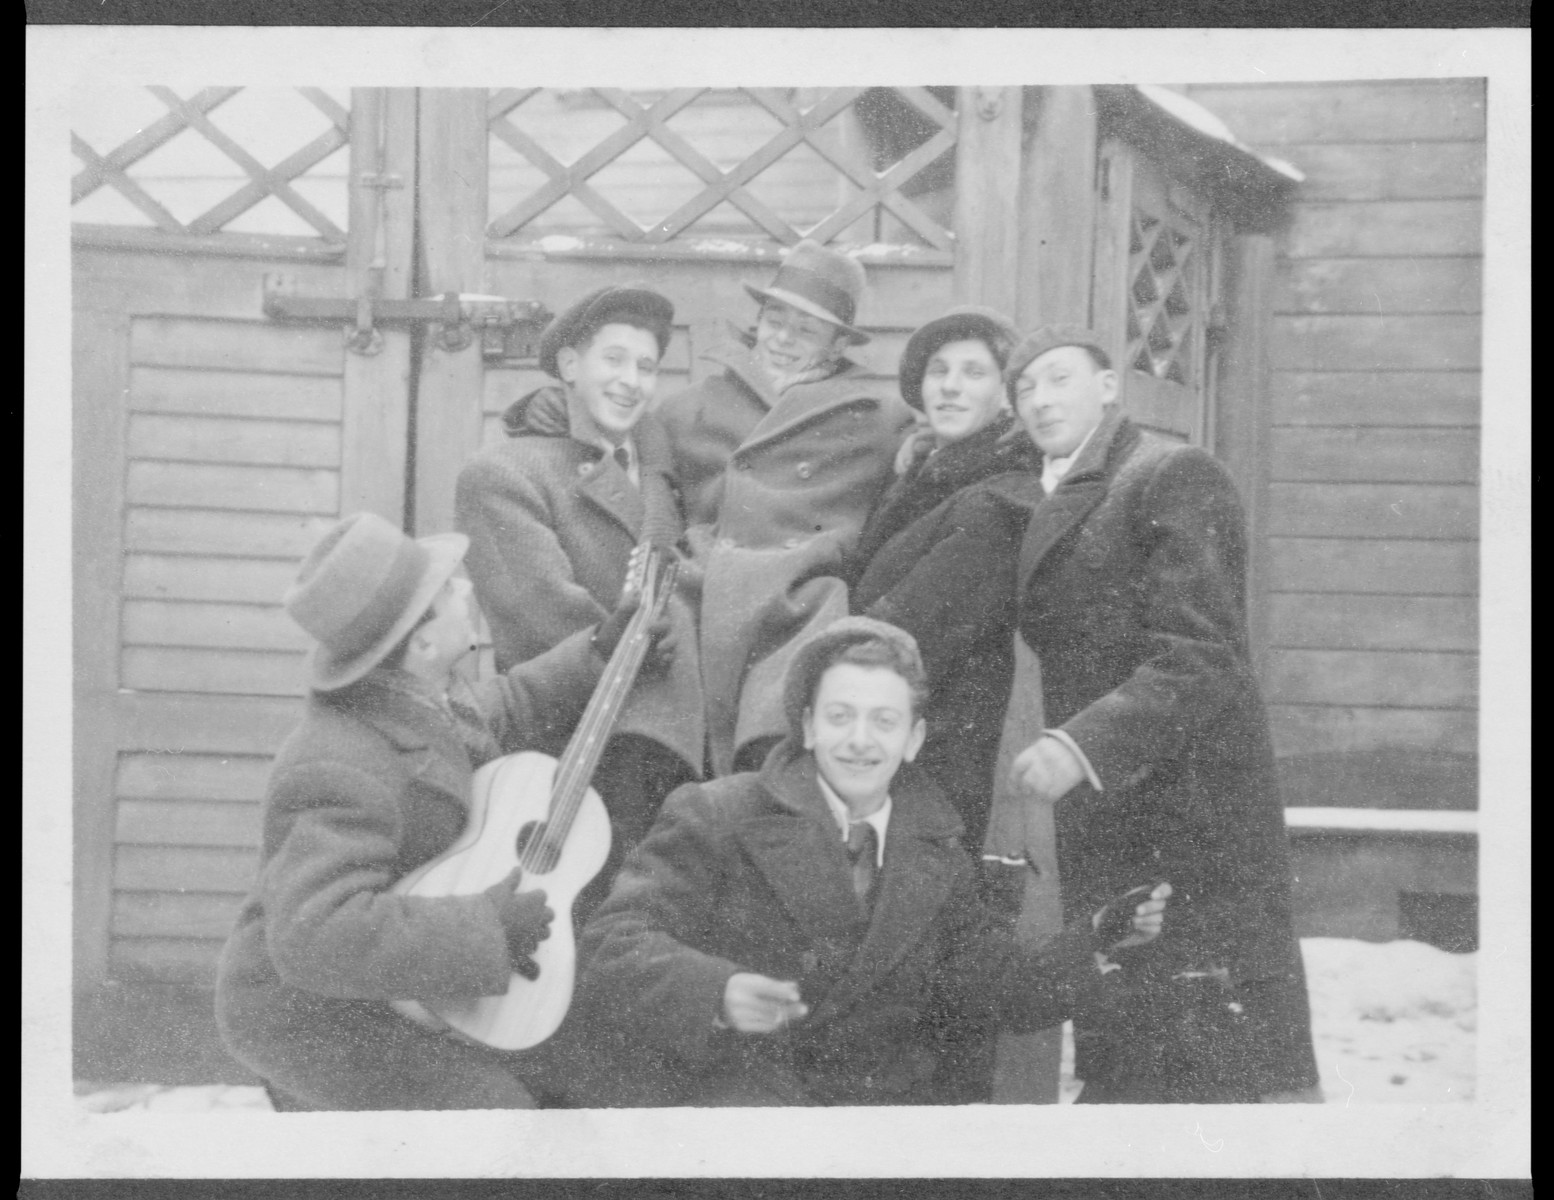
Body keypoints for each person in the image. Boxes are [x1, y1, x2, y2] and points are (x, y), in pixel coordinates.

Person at [572, 617, 1172, 1107]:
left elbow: (990, 989)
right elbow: (609, 943)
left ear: (913, 739)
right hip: (744, 1114)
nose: (860, 740)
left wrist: (1096, 936)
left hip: (883, 1125)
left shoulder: (937, 845)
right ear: (807, 727)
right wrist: (716, 991)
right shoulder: (717, 813)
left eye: (884, 722)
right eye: (840, 717)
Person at [213, 512, 660, 1111]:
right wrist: (484, 926)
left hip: (413, 982)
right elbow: (314, 933)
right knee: (495, 1123)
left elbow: (504, 708)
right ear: (422, 643)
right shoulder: (335, 765)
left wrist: (599, 653)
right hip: (316, 1013)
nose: (467, 589)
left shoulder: (419, 699)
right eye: (448, 591)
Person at [1001, 324, 1321, 1104]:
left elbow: (1202, 654)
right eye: (1025, 389)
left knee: (1212, 1057)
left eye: (1059, 379)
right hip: (1116, 815)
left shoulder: (1169, 475)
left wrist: (1080, 746)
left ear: (1108, 387)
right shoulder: (1053, 487)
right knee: (1134, 1049)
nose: (1041, 400)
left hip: (1196, 821)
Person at [454, 284, 703, 864]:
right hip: (576, 755)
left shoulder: (659, 463)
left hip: (673, 754)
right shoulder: (503, 475)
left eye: (646, 367)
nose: (630, 381)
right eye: (612, 359)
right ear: (569, 364)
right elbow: (545, 629)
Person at [656, 239, 914, 775]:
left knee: (776, 751)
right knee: (659, 740)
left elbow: (937, 453)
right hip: (699, 592)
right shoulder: (695, 405)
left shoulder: (874, 417)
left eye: (806, 330)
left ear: (837, 344)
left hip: (798, 601)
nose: (783, 338)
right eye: (776, 319)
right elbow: (640, 462)